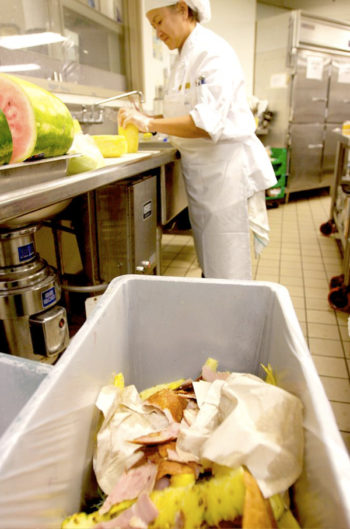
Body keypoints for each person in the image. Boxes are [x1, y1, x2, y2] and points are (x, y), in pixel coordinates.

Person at [118, 0, 276, 280]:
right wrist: (146, 119)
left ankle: (231, 317)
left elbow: (206, 123)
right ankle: (215, 308)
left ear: (182, 9)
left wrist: (150, 122)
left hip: (224, 173)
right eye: (152, 25)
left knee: (228, 266)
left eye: (158, 21)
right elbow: (184, 112)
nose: (157, 32)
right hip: (202, 176)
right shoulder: (183, 58)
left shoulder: (212, 52)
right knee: (210, 259)